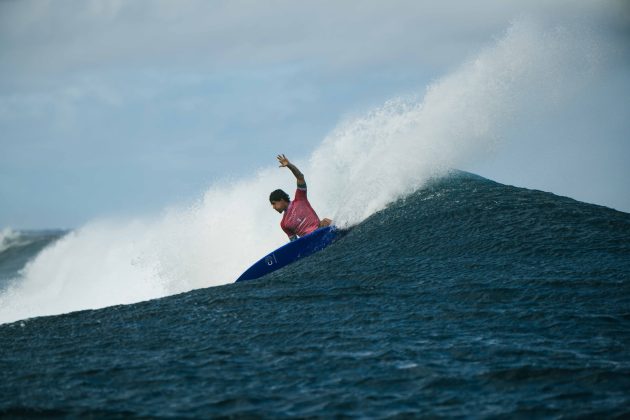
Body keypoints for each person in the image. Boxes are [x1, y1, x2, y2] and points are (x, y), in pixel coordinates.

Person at [270, 154, 332, 241]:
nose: (273, 207)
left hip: (320, 229)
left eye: (274, 203)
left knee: (325, 221)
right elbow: (294, 242)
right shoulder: (284, 224)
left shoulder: (300, 198)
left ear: (281, 200)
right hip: (309, 240)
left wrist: (289, 166)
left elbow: (300, 177)